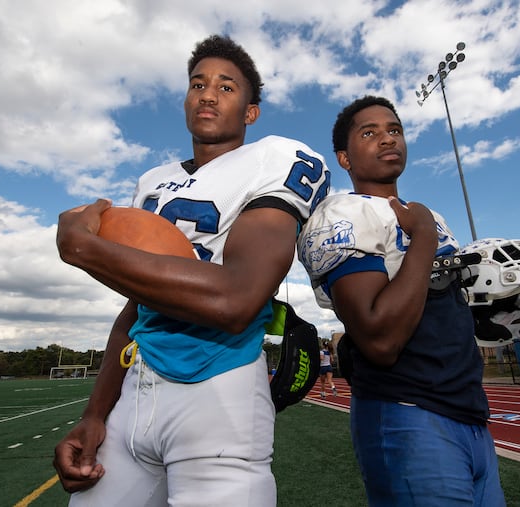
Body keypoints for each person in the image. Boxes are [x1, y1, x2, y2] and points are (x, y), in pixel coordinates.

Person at [53, 34, 330, 506]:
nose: (208, 93)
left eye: (226, 87)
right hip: (138, 385)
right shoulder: (151, 182)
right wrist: (96, 413)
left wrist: (82, 247)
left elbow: (236, 299)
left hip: (219, 388)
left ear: (250, 111)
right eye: (197, 84)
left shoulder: (275, 160)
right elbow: (135, 309)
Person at [297, 96, 520, 506]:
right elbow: (379, 339)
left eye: (394, 130)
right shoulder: (343, 214)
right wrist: (422, 236)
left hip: (469, 411)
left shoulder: (431, 216)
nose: (387, 139)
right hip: (407, 410)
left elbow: (447, 310)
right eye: (369, 133)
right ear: (344, 158)